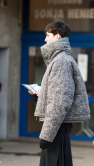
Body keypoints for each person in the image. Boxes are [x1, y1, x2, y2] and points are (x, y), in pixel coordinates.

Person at [30, 21, 90, 166]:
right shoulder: (59, 60)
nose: (45, 39)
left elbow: (60, 102)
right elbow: (58, 96)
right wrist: (41, 96)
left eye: (47, 35)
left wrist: (47, 136)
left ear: (57, 37)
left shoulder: (61, 61)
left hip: (57, 131)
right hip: (58, 128)